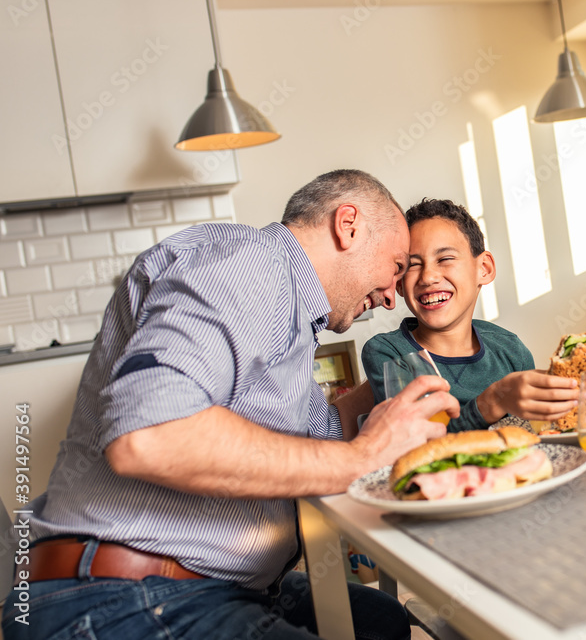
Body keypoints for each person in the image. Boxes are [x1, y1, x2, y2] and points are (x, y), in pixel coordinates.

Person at [2, 170, 459, 639]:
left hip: (213, 586)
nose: (391, 296)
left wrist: (401, 381)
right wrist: (364, 456)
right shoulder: (250, 264)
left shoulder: (289, 316)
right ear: (348, 225)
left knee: (379, 620)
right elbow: (151, 434)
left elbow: (325, 434)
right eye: (397, 265)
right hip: (119, 596)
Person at [362, 198, 579, 432]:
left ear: (484, 269)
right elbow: (418, 440)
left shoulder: (510, 349)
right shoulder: (388, 353)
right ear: (399, 284)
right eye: (413, 265)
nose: (428, 277)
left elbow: (534, 432)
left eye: (444, 259)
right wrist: (495, 400)